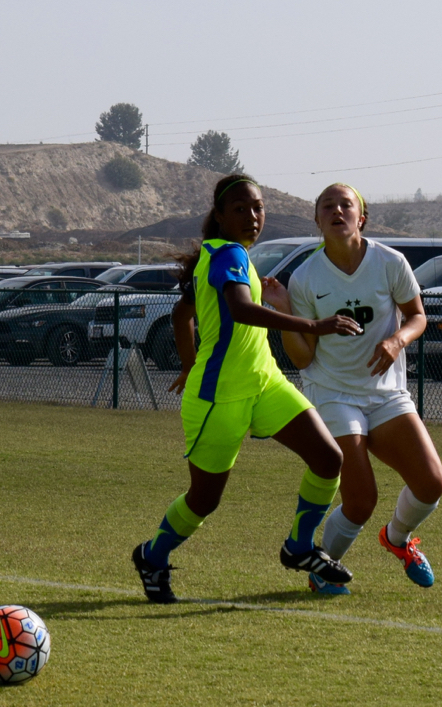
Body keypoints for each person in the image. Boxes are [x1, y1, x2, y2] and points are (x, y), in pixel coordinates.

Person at [131, 174, 363, 604]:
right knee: (204, 501)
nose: (252, 217)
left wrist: (189, 362)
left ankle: (299, 546)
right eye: (240, 209)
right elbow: (239, 308)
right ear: (219, 216)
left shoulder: (219, 255)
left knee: (329, 457)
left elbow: (184, 314)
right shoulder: (228, 254)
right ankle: (152, 555)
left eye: (257, 208)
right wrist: (315, 324)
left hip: (264, 383)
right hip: (219, 398)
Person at [263, 183, 442, 595]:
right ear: (317, 221)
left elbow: (418, 317)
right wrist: (283, 308)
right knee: (361, 499)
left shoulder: (389, 261)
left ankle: (397, 539)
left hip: (385, 392)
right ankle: (322, 569)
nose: (337, 210)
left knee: (431, 484)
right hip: (333, 394)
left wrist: (397, 340)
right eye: (327, 205)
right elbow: (304, 359)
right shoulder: (306, 277)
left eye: (346, 204)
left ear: (361, 217)